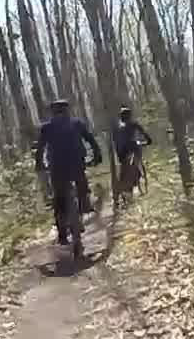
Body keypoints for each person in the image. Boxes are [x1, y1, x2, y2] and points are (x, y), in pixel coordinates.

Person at [33, 99, 101, 243]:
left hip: (57, 167)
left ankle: (62, 234)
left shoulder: (47, 127)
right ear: (67, 110)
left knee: (58, 199)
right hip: (76, 163)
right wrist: (97, 155)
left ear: (52, 112)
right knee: (82, 184)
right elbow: (91, 140)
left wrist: (39, 164)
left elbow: (40, 149)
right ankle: (85, 205)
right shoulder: (76, 123)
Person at [110, 107, 153, 194]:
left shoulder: (116, 127)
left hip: (121, 152)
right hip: (132, 147)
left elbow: (115, 141)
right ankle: (138, 175)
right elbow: (144, 133)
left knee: (124, 166)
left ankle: (127, 185)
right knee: (136, 156)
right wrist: (148, 141)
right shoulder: (133, 124)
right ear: (129, 116)